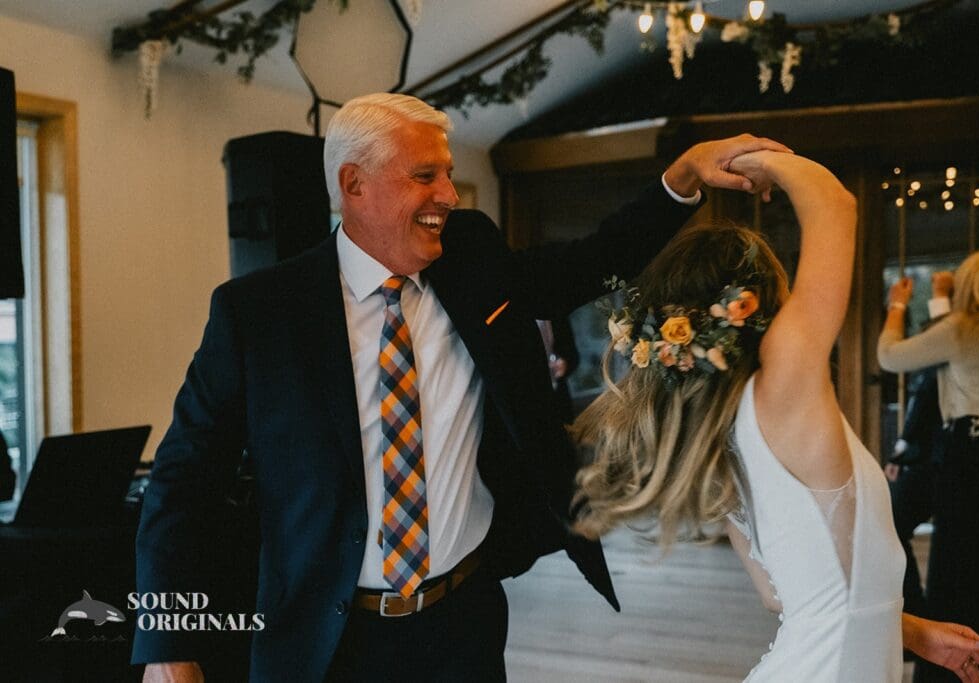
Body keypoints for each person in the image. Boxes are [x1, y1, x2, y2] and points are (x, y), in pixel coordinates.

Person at [132, 92, 793, 682]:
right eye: (426, 175)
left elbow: (584, 264)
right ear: (354, 184)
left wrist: (681, 179)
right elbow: (181, 481)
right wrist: (165, 643)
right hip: (321, 638)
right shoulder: (259, 312)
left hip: (462, 624)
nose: (449, 194)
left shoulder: (471, 257)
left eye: (448, 173)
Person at [571, 150, 979, 682]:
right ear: (761, 305)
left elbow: (786, 594)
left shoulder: (721, 430)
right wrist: (758, 158)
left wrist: (911, 631)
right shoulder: (781, 393)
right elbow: (834, 204)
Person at [879, 247, 979, 683]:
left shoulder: (966, 328)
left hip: (970, 451)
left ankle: (934, 637)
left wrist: (898, 306)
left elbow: (889, 356)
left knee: (953, 557)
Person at [884, 271, 952, 617]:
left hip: (937, 464)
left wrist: (900, 303)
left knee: (892, 528)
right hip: (930, 461)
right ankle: (917, 610)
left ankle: (915, 612)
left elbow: (921, 411)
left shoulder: (944, 359)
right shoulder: (933, 366)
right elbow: (917, 415)